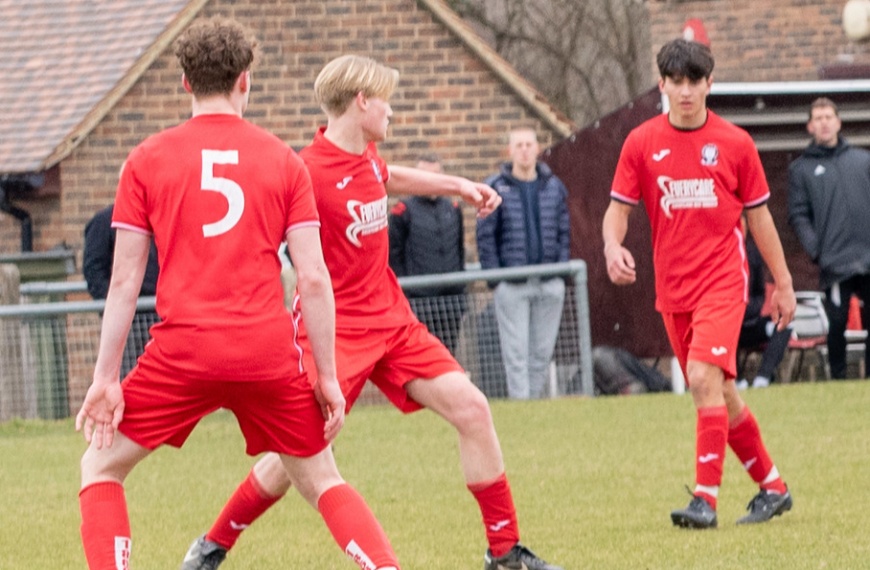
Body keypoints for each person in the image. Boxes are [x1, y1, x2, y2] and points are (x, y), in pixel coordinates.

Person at [181, 54, 562, 570]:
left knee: (473, 409)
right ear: (361, 102)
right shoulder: (304, 171)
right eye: (386, 101)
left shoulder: (367, 157)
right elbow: (252, 235)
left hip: (394, 323)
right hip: (332, 334)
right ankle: (213, 544)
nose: (392, 113)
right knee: (300, 455)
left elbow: (389, 176)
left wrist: (459, 186)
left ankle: (505, 552)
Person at [75, 18, 400, 570]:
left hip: (183, 351)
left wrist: (106, 377)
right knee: (323, 478)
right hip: (265, 352)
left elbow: (125, 281)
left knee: (100, 468)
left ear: (185, 83)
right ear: (245, 80)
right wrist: (325, 376)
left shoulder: (146, 159)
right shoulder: (282, 160)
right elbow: (315, 278)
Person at [602, 38, 796, 529]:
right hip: (674, 291)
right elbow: (617, 211)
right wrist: (611, 246)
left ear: (709, 84)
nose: (685, 91)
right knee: (720, 393)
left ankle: (705, 501)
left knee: (704, 380)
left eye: (695, 81)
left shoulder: (735, 144)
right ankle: (773, 488)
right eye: (676, 82)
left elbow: (761, 220)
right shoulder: (642, 143)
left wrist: (784, 282)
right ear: (663, 84)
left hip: (723, 282)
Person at [476, 125, 571, 400]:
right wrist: (496, 278)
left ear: (537, 149)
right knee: (515, 352)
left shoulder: (554, 187)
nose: (525, 150)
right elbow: (485, 235)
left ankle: (536, 404)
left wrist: (560, 271)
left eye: (529, 145)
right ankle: (521, 405)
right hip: (512, 285)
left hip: (549, 281)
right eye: (519, 146)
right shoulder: (496, 187)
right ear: (510, 151)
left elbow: (564, 231)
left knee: (541, 351)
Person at [787, 97, 870, 380]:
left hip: (867, 256)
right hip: (834, 261)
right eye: (818, 118)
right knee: (837, 321)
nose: (824, 122)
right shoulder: (802, 169)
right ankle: (838, 377)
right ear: (810, 126)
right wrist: (817, 250)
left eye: (828, 116)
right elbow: (798, 215)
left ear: (838, 122)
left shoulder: (862, 161)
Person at [388, 153, 466, 353]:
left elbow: (460, 251)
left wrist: (461, 290)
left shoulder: (453, 208)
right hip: (418, 301)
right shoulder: (403, 211)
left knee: (448, 354)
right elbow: (393, 254)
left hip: (450, 300)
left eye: (435, 175)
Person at [83, 202, 160, 378]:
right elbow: (94, 272)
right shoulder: (104, 222)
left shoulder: (155, 219)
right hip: (129, 320)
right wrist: (118, 306)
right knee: (130, 374)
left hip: (159, 314)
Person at [736, 218, 793, 389]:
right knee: (720, 330)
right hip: (730, 324)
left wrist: (750, 309)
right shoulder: (721, 256)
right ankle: (736, 380)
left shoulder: (753, 255)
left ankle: (763, 377)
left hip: (752, 321)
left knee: (784, 326)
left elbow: (759, 293)